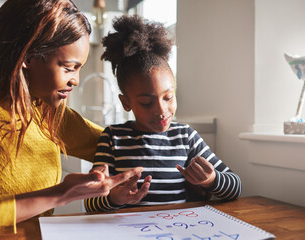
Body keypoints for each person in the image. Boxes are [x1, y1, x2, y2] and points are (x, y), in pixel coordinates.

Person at [0, 0, 150, 239]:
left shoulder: (45, 106)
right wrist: (60, 194)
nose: (76, 81)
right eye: (69, 68)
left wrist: (182, 146)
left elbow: (116, 146)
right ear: (27, 55)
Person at [84, 15, 241, 212]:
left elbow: (235, 187)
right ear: (126, 103)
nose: (161, 110)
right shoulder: (112, 138)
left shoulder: (185, 136)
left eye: (168, 97)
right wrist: (113, 198)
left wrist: (211, 180)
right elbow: (90, 202)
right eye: (146, 103)